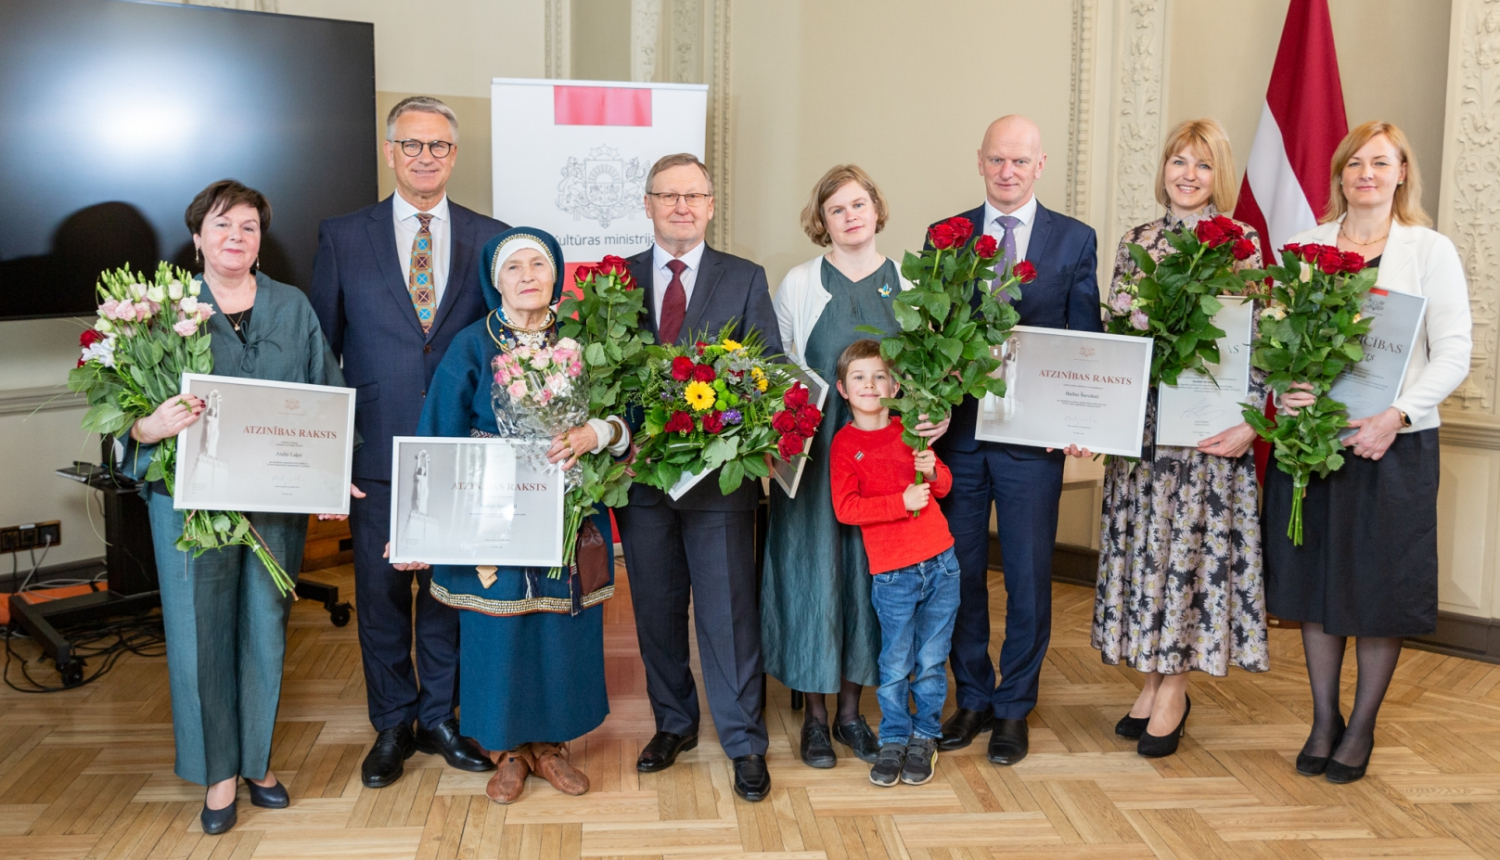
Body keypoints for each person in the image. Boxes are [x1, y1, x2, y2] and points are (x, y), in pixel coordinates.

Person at [124, 180, 346, 834]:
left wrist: (335, 478)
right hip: (187, 503)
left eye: (248, 227)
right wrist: (147, 427)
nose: (235, 238)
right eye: (223, 225)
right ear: (197, 236)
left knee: (264, 628)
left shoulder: (293, 306)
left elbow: (325, 399)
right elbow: (122, 422)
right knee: (200, 635)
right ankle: (218, 772)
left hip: (274, 500)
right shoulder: (158, 313)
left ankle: (257, 761)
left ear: (259, 240)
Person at [391, 227, 630, 804]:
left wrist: (597, 430)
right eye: (514, 268)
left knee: (558, 628)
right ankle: (507, 752)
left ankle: (550, 748)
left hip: (569, 511)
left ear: (556, 276)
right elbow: (437, 437)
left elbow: (627, 415)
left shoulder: (588, 341)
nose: (528, 276)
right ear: (495, 281)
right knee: (498, 632)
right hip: (489, 518)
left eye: (539, 266)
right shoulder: (473, 345)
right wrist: (416, 524)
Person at [310, 96, 507, 788]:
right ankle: (392, 723)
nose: (426, 157)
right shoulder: (343, 236)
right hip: (377, 451)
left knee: (448, 592)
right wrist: (329, 459)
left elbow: (500, 349)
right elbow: (319, 356)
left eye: (439, 146)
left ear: (454, 155)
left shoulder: (492, 236)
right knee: (384, 595)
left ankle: (441, 716)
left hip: (461, 451)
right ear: (390, 151)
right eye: (412, 144)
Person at [1270, 121, 1471, 784]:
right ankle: (1324, 719)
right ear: (1340, 174)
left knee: (1380, 588)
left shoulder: (1429, 250)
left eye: (1380, 163)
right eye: (1355, 163)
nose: (1367, 174)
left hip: (1395, 446)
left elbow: (1454, 353)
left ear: (1402, 172)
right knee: (1317, 584)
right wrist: (1285, 390)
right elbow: (1273, 348)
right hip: (1315, 443)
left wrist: (1396, 415)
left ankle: (1362, 728)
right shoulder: (1302, 248)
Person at [1091, 119, 1269, 758]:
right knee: (1149, 554)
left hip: (1206, 435)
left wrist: (1254, 421)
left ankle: (1175, 688)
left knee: (1191, 557)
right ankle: (1152, 679)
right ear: (1163, 168)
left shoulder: (1241, 242)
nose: (1188, 175)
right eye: (1178, 162)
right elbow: (1118, 337)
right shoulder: (1136, 241)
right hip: (1144, 432)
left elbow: (1261, 347)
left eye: (1201, 164)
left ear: (1218, 174)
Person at [763, 165, 947, 768]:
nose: (850, 216)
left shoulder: (909, 280)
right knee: (815, 577)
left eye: (859, 204)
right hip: (816, 461)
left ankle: (851, 715)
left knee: (871, 582)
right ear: (822, 221)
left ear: (877, 209)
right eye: (837, 209)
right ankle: (815, 719)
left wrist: (935, 420)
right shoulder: (798, 283)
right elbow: (780, 372)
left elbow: (927, 373)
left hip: (886, 462)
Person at [933, 115, 1102, 766]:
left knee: (1030, 578)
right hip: (962, 438)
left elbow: (1085, 336)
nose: (1008, 172)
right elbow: (932, 334)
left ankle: (1013, 709)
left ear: (1041, 165)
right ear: (980, 162)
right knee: (964, 575)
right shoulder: (945, 238)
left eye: (1020, 161)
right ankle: (972, 696)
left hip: (1035, 442)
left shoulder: (1074, 239)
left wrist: (1085, 419)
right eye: (997, 160)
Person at [616, 153, 781, 802]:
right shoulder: (617, 280)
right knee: (656, 614)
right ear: (648, 204)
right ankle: (675, 725)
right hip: (642, 485)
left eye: (694, 195)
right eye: (668, 195)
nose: (681, 206)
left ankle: (743, 742)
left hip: (718, 487)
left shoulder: (744, 278)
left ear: (712, 206)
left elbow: (765, 372)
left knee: (728, 617)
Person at [829, 340, 960, 788]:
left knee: (930, 659)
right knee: (895, 661)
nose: (870, 384)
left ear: (895, 384)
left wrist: (932, 467)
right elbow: (846, 509)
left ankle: (925, 736)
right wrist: (900, 502)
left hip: (941, 563)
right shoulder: (845, 445)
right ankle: (894, 738)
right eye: (859, 377)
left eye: (879, 375)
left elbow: (941, 487)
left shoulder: (911, 430)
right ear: (843, 389)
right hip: (893, 574)